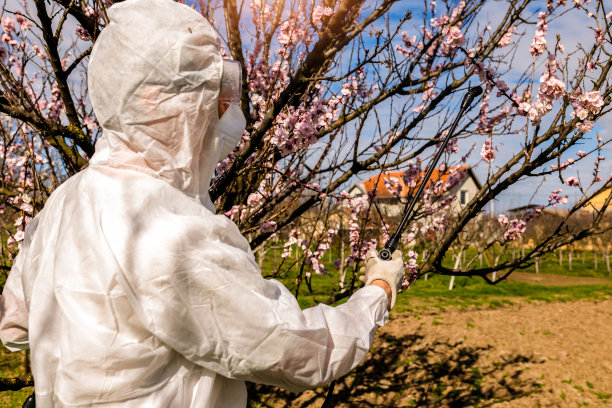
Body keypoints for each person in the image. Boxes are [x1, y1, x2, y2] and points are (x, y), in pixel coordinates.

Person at [0, 0, 405, 406]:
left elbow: (14, 327)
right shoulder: (166, 231)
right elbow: (293, 349)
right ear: (151, 102)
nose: (223, 112)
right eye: (211, 96)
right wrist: (378, 291)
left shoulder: (64, 201)